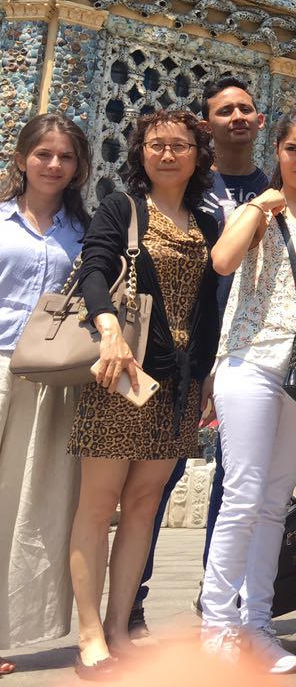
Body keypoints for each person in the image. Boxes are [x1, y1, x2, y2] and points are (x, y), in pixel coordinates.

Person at [67, 109, 221, 677]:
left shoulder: (207, 223)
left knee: (142, 505)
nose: (167, 154)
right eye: (156, 145)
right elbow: (94, 268)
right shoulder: (123, 207)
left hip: (177, 383)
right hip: (122, 371)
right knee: (98, 503)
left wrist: (206, 373)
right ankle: (89, 635)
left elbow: (212, 304)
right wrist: (107, 326)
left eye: (180, 145)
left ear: (198, 157)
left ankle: (119, 627)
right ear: (141, 153)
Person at [201, 109, 296, 675]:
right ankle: (217, 626)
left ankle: (257, 624)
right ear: (279, 151)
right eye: (293, 149)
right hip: (253, 357)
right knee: (242, 493)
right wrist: (258, 208)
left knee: (274, 500)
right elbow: (222, 261)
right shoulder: (261, 209)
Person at [132, 74, 270, 635]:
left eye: (245, 109)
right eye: (224, 111)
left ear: (260, 120)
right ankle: (132, 599)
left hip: (243, 352)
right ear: (205, 126)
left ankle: (218, 601)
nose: (236, 118)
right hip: (175, 352)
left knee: (234, 483)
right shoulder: (189, 185)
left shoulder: (274, 187)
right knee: (154, 480)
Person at [0, 115, 91, 676]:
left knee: (26, 502)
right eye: (43, 154)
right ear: (21, 159)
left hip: (47, 375)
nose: (54, 165)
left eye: (66, 157)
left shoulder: (83, 234)